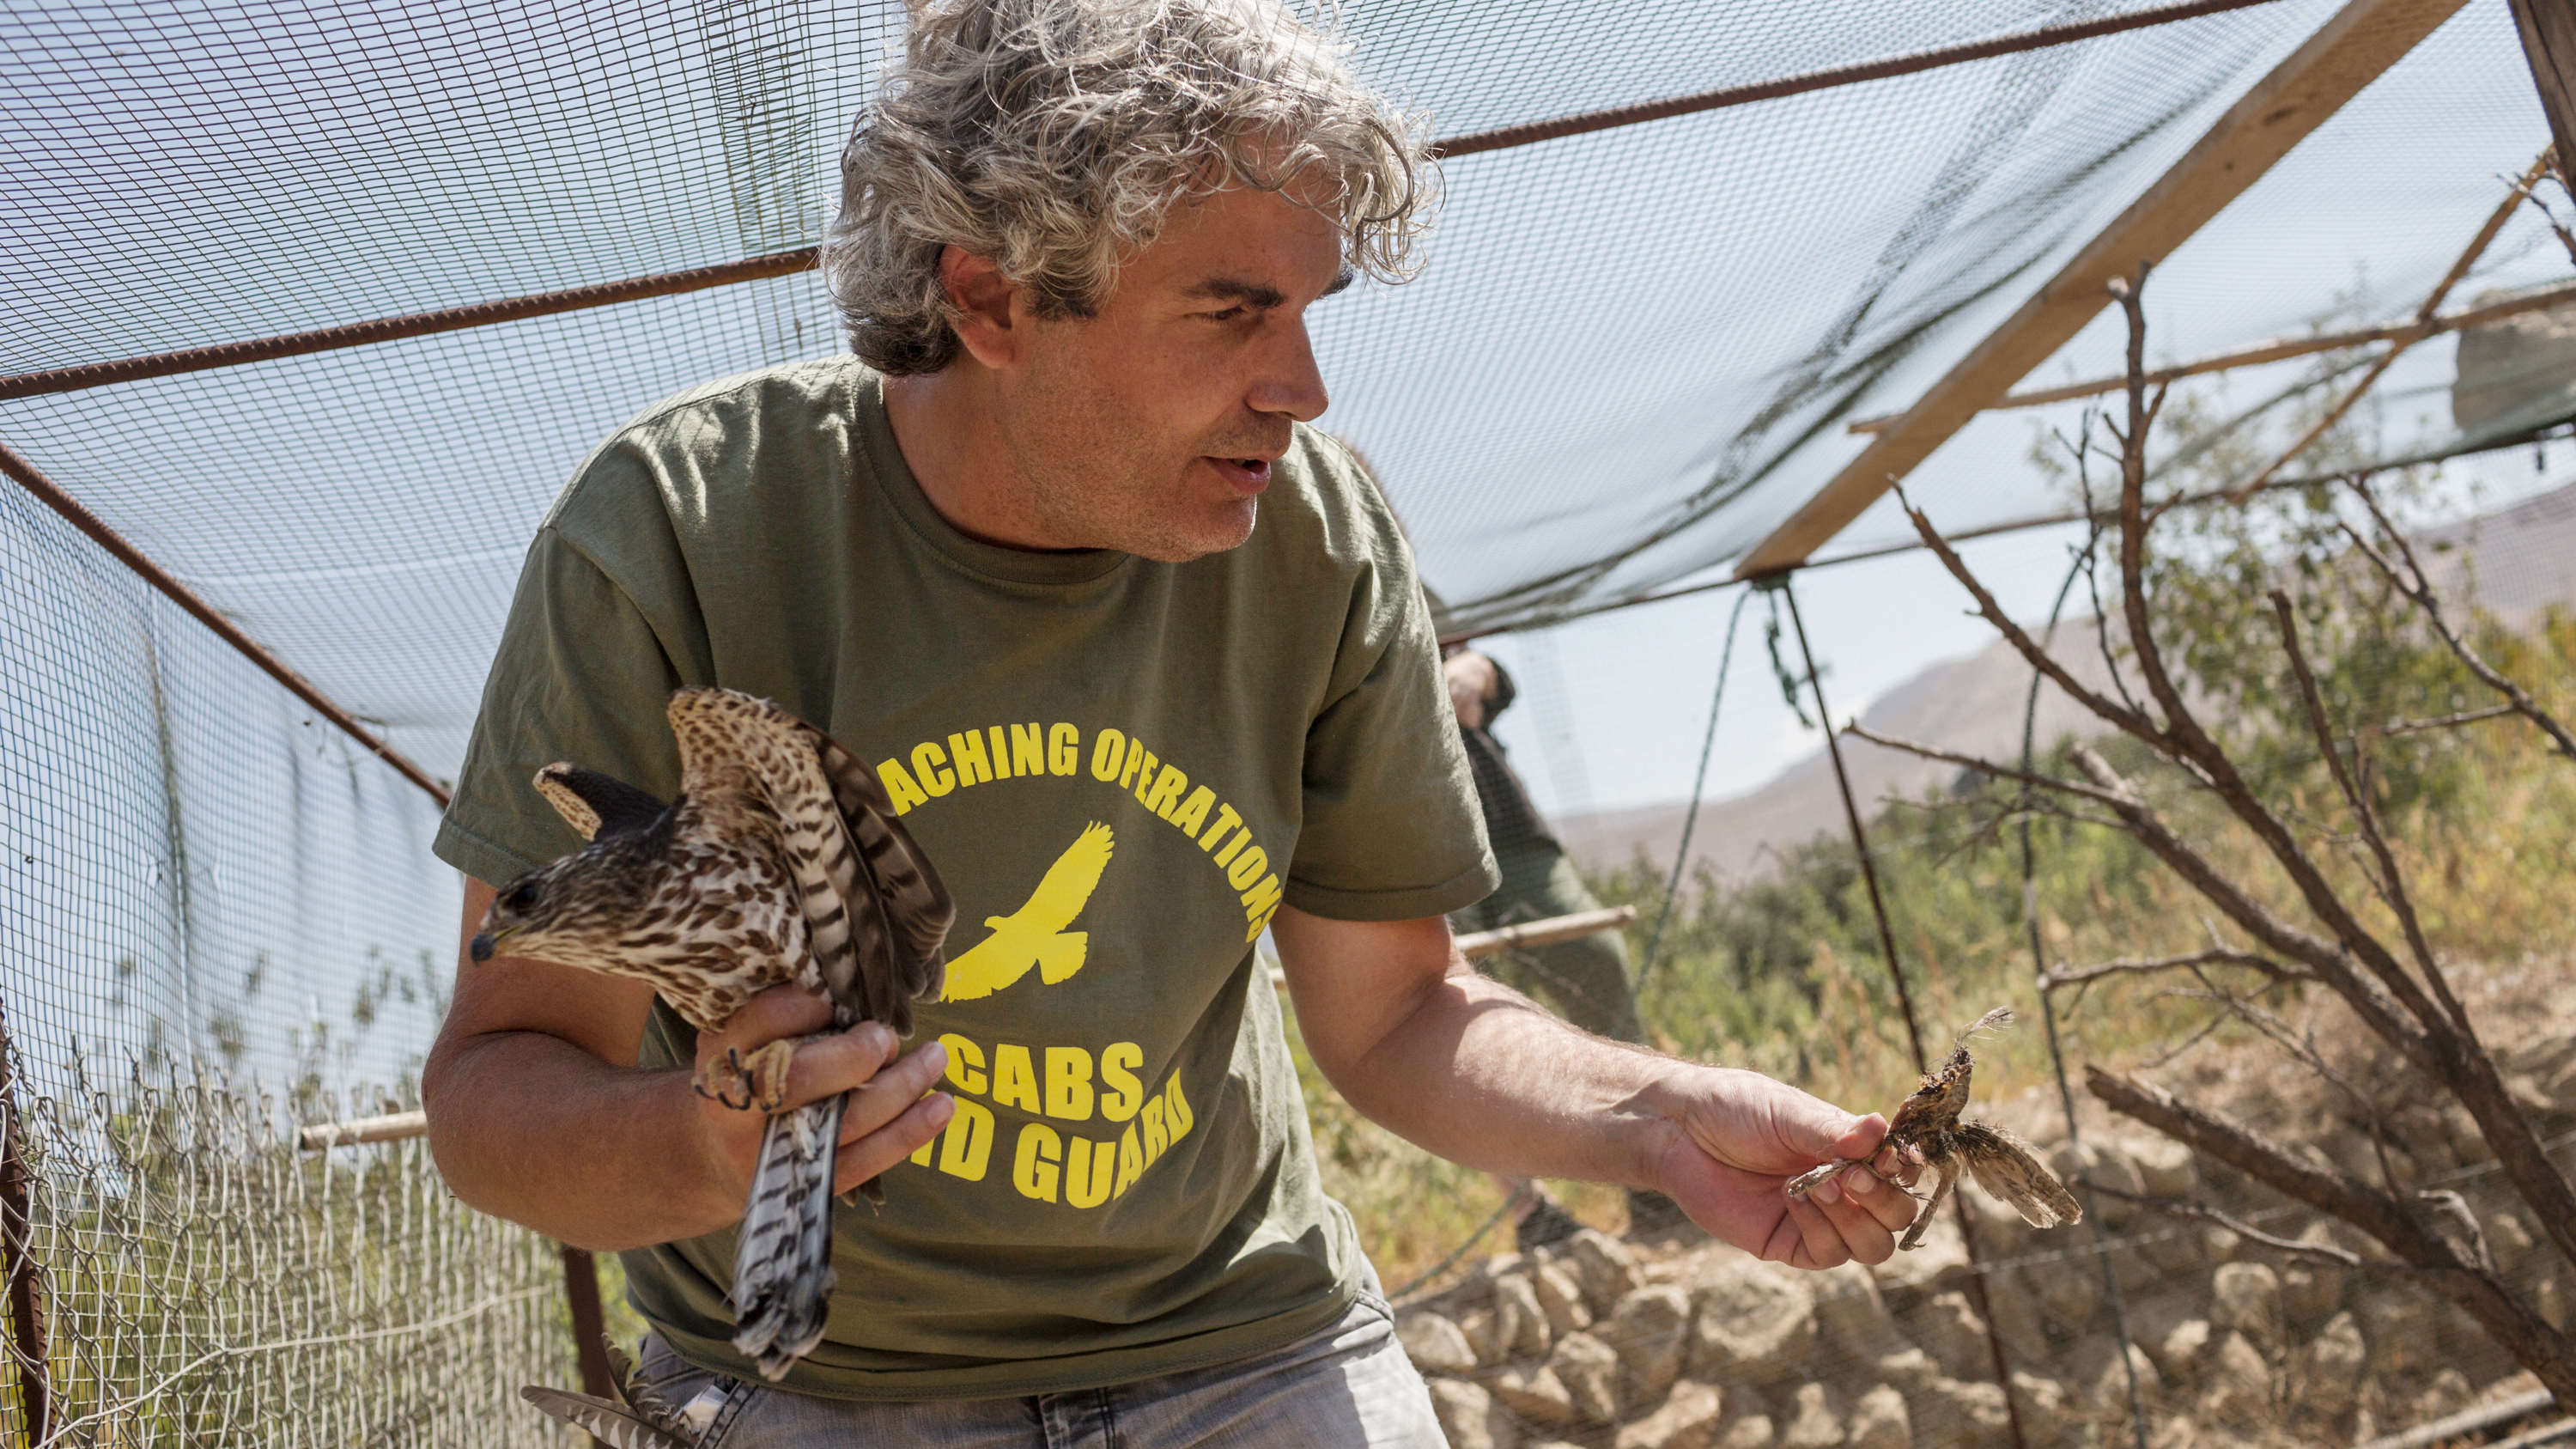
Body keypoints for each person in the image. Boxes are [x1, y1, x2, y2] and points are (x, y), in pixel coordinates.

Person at [419, 0, 1917, 1441]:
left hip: (1252, 1344)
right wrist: (705, 1144)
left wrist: (1657, 1119)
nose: (1305, 390)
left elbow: (1396, 1009)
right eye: (1232, 313)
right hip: (816, 1380)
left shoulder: (1318, 543)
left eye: (1313, 310)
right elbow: (501, 1083)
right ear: (992, 298)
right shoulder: (679, 531)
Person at [1438, 644, 1692, 1247]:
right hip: (1411, 842)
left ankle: (1659, 1176)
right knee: (1446, 1019)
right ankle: (1535, 1214)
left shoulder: (1421, 590)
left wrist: (1472, 673)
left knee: (1594, 956)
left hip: (1506, 828)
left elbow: (1490, 675)